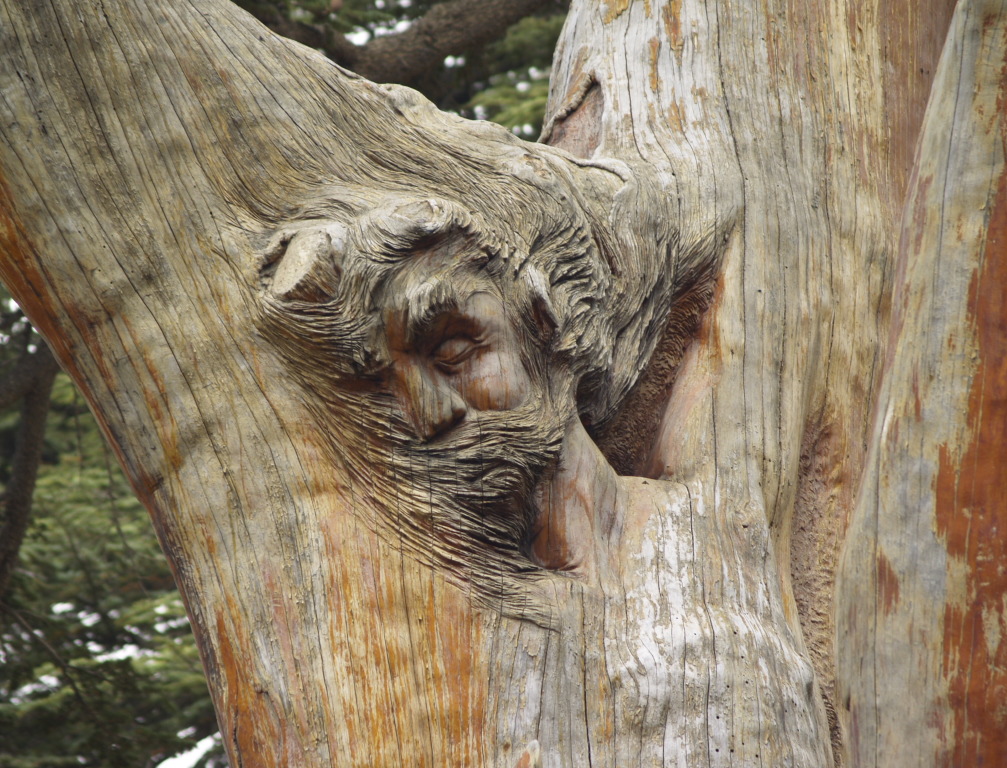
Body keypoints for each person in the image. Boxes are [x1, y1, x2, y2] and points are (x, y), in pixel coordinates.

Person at [260, 195, 832, 764]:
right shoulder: (404, 626)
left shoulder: (715, 525)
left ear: (541, 322)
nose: (431, 416)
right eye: (384, 389)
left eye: (454, 351)